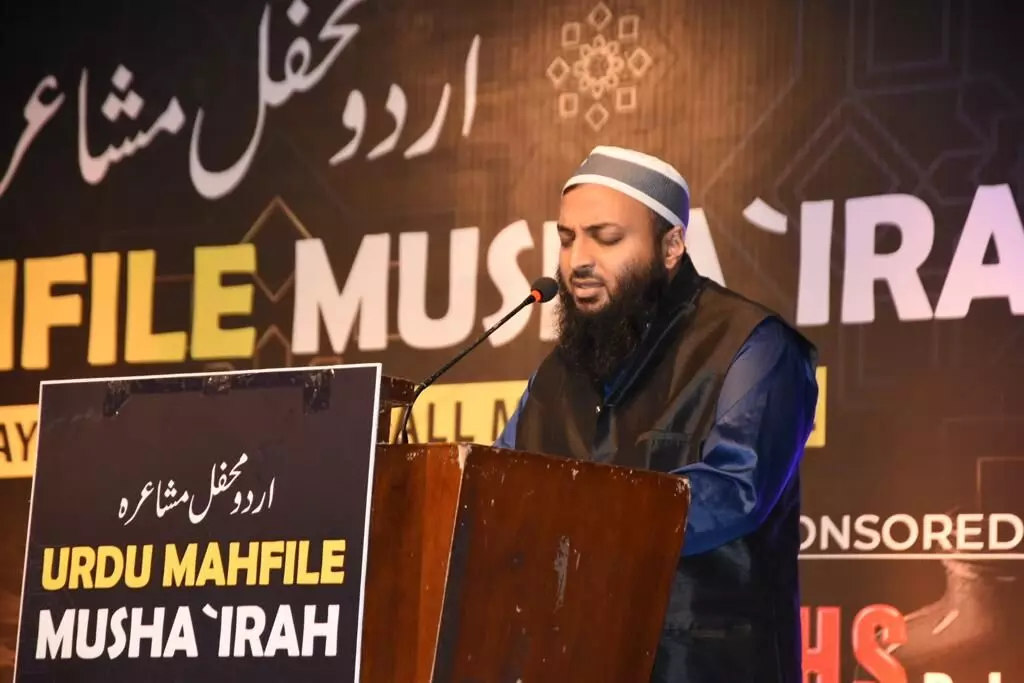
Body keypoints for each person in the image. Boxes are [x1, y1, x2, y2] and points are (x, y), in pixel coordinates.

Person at [494, 145, 819, 682]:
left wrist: (578, 519)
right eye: (567, 239)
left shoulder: (754, 345)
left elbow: (735, 489)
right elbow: (495, 486)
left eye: (606, 238)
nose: (577, 261)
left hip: (706, 666)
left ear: (671, 247)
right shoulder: (556, 373)